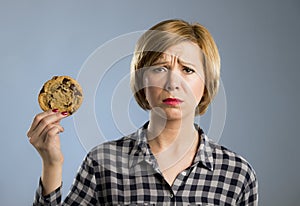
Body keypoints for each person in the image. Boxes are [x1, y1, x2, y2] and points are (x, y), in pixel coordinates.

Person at [27, 19, 258, 205]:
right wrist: (51, 165)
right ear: (141, 80)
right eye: (160, 68)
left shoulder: (238, 175)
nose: (172, 83)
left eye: (187, 69)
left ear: (206, 83)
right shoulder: (101, 163)